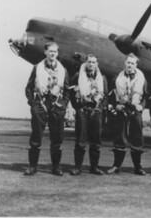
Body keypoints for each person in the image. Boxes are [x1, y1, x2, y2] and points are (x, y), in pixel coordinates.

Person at [24, 42, 70, 176]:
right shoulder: (37, 68)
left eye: (55, 52)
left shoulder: (63, 70)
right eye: (50, 51)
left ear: (58, 53)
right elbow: (28, 88)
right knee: (36, 136)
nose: (52, 54)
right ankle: (33, 167)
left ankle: (56, 167)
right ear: (45, 52)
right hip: (40, 103)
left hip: (57, 105)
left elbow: (67, 90)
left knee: (57, 138)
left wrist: (64, 104)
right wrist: (33, 104)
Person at [106, 53, 148, 175]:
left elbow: (145, 96)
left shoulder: (142, 79)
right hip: (122, 110)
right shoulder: (117, 79)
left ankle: (138, 167)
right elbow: (110, 96)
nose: (130, 65)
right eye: (128, 62)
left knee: (137, 138)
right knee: (120, 137)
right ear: (125, 63)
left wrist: (142, 106)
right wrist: (115, 106)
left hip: (135, 110)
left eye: (132, 63)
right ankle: (116, 166)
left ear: (136, 65)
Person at [69, 54, 108, 175]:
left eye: (93, 62)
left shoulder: (102, 78)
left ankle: (94, 167)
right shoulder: (78, 76)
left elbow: (105, 96)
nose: (91, 64)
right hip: (82, 110)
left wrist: (100, 109)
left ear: (97, 64)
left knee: (96, 141)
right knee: (80, 140)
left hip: (96, 111)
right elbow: (71, 93)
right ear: (86, 63)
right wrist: (77, 108)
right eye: (89, 62)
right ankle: (77, 167)